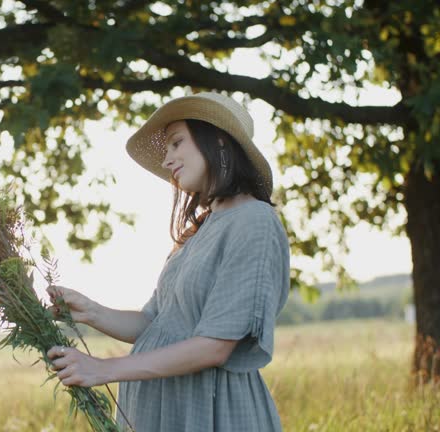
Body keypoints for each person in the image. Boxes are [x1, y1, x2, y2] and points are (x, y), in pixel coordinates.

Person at [45, 92, 290, 431]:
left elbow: (215, 347)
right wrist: (91, 311)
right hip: (162, 410)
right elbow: (156, 325)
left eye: (176, 143)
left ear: (218, 140)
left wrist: (103, 369)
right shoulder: (198, 230)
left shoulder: (254, 222)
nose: (166, 160)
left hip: (211, 411)